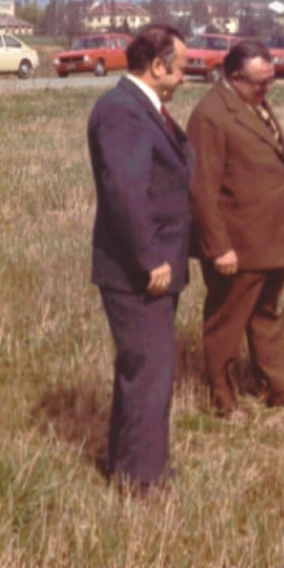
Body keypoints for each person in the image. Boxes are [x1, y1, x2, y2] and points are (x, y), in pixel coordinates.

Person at [188, 40, 284, 418]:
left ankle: (280, 387)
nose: (266, 89)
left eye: (272, 80)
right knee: (226, 322)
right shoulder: (211, 115)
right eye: (259, 82)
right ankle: (223, 397)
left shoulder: (253, 103)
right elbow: (202, 190)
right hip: (238, 246)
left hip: (269, 241)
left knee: (265, 314)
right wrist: (219, 247)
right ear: (232, 76)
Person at [87, 24, 191, 493]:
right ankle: (142, 483)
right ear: (157, 66)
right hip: (139, 273)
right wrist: (151, 258)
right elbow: (125, 193)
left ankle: (130, 466)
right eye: (181, 67)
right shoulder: (123, 114)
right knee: (148, 374)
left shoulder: (142, 109)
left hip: (150, 267)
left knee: (144, 371)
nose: (185, 77)